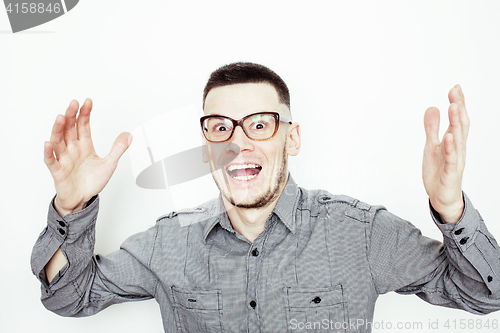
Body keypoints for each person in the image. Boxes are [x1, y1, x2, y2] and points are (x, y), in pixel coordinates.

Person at [31, 62, 500, 332]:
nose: (239, 143)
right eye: (220, 128)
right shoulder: (167, 243)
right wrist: (71, 209)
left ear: (291, 138)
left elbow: (484, 294)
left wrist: (451, 209)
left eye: (260, 124)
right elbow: (70, 298)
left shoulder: (362, 235)